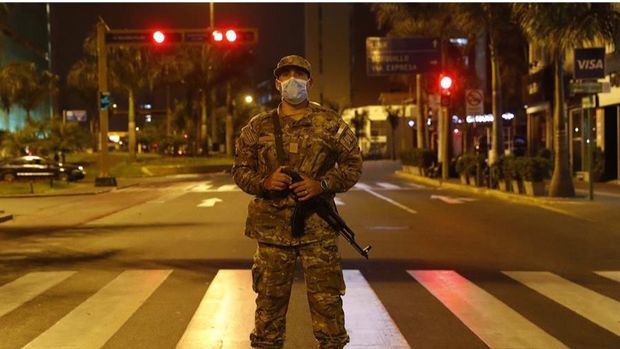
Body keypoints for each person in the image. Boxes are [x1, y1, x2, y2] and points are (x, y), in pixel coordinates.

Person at [232, 55, 362, 349]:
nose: (293, 80)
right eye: (286, 75)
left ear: (310, 82)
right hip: (272, 234)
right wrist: (264, 183)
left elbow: (353, 165)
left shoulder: (330, 124)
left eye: (299, 75)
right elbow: (240, 170)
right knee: (268, 315)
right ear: (277, 83)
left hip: (318, 231)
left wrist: (323, 184)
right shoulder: (258, 127)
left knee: (328, 310)